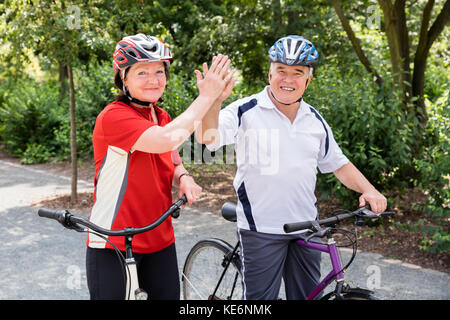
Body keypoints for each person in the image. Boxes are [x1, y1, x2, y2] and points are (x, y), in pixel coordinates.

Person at [195, 35, 387, 300]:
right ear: (269, 73)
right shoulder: (244, 110)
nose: (288, 79)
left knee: (308, 296)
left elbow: (338, 163)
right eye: (281, 71)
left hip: (307, 228)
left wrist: (370, 190)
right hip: (261, 228)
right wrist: (213, 99)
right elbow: (207, 137)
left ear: (308, 79)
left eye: (297, 73)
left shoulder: (314, 119)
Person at [86, 33, 234, 300]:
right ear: (123, 78)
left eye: (159, 71)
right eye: (142, 72)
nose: (153, 80)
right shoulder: (114, 117)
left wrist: (184, 176)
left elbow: (170, 153)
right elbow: (168, 138)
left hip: (159, 238)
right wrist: (206, 97)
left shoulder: (160, 115)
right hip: (115, 242)